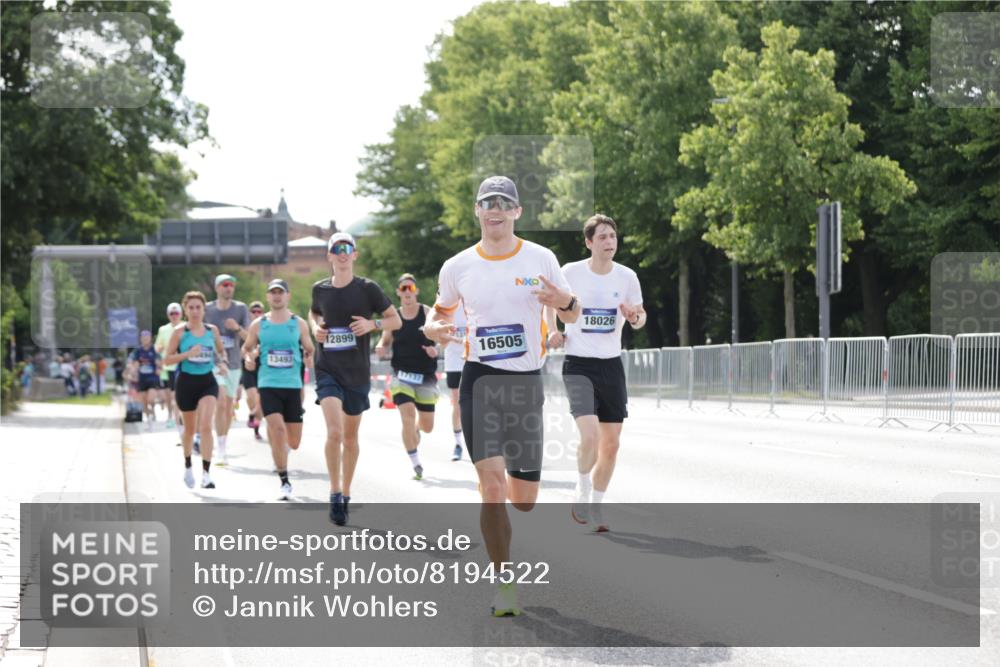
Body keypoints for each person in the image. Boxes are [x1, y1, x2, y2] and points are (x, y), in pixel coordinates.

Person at [423, 175, 580, 616]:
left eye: (503, 203)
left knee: (524, 501)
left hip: (525, 384)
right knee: (492, 489)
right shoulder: (458, 266)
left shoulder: (541, 258)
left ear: (516, 211)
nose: (494, 209)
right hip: (480, 382)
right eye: (487, 203)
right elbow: (438, 314)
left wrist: (564, 302)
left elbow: (573, 312)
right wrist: (433, 329)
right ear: (477, 210)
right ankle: (504, 584)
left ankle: (506, 484)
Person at [546, 214, 644, 532]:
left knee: (611, 445)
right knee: (590, 436)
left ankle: (597, 506)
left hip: (611, 366)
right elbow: (550, 304)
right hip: (579, 364)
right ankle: (582, 486)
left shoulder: (627, 277)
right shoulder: (570, 272)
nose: (609, 241)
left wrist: (634, 317)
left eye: (612, 236)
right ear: (589, 242)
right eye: (602, 237)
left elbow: (640, 318)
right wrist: (552, 331)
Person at [310, 232, 401, 526]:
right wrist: (316, 327)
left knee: (350, 438)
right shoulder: (320, 289)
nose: (342, 253)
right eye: (336, 248)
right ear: (329, 255)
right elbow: (314, 313)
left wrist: (373, 324)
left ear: (354, 254)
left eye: (347, 248)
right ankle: (334, 492)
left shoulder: (368, 289)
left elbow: (395, 320)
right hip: (327, 368)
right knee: (334, 432)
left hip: (357, 372)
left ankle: (346, 492)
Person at [242, 279, 314, 500]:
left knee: (294, 442)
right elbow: (247, 347)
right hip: (268, 384)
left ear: (287, 296)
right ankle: (284, 481)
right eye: (272, 292)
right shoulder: (259, 324)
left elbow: (309, 348)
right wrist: (249, 357)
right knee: (277, 429)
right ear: (268, 297)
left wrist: (309, 357)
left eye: (280, 292)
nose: (276, 296)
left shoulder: (298, 323)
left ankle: (282, 453)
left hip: (292, 386)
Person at [375, 274, 440, 480]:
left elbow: (440, 337)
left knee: (427, 426)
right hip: (401, 374)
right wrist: (381, 347)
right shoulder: (394, 317)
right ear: (398, 293)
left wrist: (436, 349)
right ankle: (416, 464)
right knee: (407, 416)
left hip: (426, 375)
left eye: (410, 288)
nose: (407, 292)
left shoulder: (427, 312)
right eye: (403, 288)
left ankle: (417, 429)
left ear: (416, 291)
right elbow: (385, 340)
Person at [164, 291, 227, 490]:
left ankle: (206, 474)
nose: (195, 311)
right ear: (185, 309)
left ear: (204, 309)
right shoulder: (179, 332)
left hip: (207, 382)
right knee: (190, 430)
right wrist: (187, 354)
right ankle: (188, 465)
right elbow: (167, 359)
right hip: (186, 383)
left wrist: (223, 362)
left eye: (198, 307)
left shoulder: (212, 330)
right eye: (191, 307)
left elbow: (221, 351)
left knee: (206, 425)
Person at [204, 274, 251, 465]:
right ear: (217, 288)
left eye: (231, 285)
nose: (228, 288)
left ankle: (223, 442)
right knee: (221, 401)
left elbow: (249, 337)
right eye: (224, 285)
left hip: (234, 363)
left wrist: (237, 328)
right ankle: (219, 446)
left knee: (228, 406)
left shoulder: (240, 308)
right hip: (213, 363)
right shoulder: (207, 309)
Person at [442, 301, 467, 461]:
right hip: (454, 362)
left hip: (473, 359)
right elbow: (441, 338)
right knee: (458, 403)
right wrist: (457, 339)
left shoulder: (475, 301)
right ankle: (458, 444)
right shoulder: (447, 306)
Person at [155, 302, 184, 435]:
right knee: (170, 396)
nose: (174, 316)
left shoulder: (186, 327)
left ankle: (178, 420)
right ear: (168, 315)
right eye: (171, 313)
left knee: (176, 397)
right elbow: (157, 346)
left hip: (182, 366)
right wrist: (159, 349)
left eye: (176, 313)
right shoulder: (163, 329)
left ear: (181, 314)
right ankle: (172, 418)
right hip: (168, 367)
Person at [242, 300, 265, 441]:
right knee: (251, 397)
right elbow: (242, 350)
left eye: (259, 311)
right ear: (250, 314)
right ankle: (253, 414)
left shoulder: (268, 328)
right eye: (254, 311)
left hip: (263, 368)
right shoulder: (246, 329)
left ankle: (256, 424)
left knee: (261, 399)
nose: (256, 314)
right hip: (248, 367)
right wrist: (249, 356)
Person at [129, 331, 162, 429]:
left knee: (150, 398)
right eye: (143, 338)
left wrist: (159, 369)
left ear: (150, 339)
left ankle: (153, 410)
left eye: (147, 338)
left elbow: (160, 363)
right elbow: (135, 364)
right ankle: (148, 420)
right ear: (141, 339)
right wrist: (133, 372)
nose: (145, 339)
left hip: (153, 378)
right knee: (144, 401)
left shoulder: (154, 349)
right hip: (142, 379)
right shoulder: (138, 351)